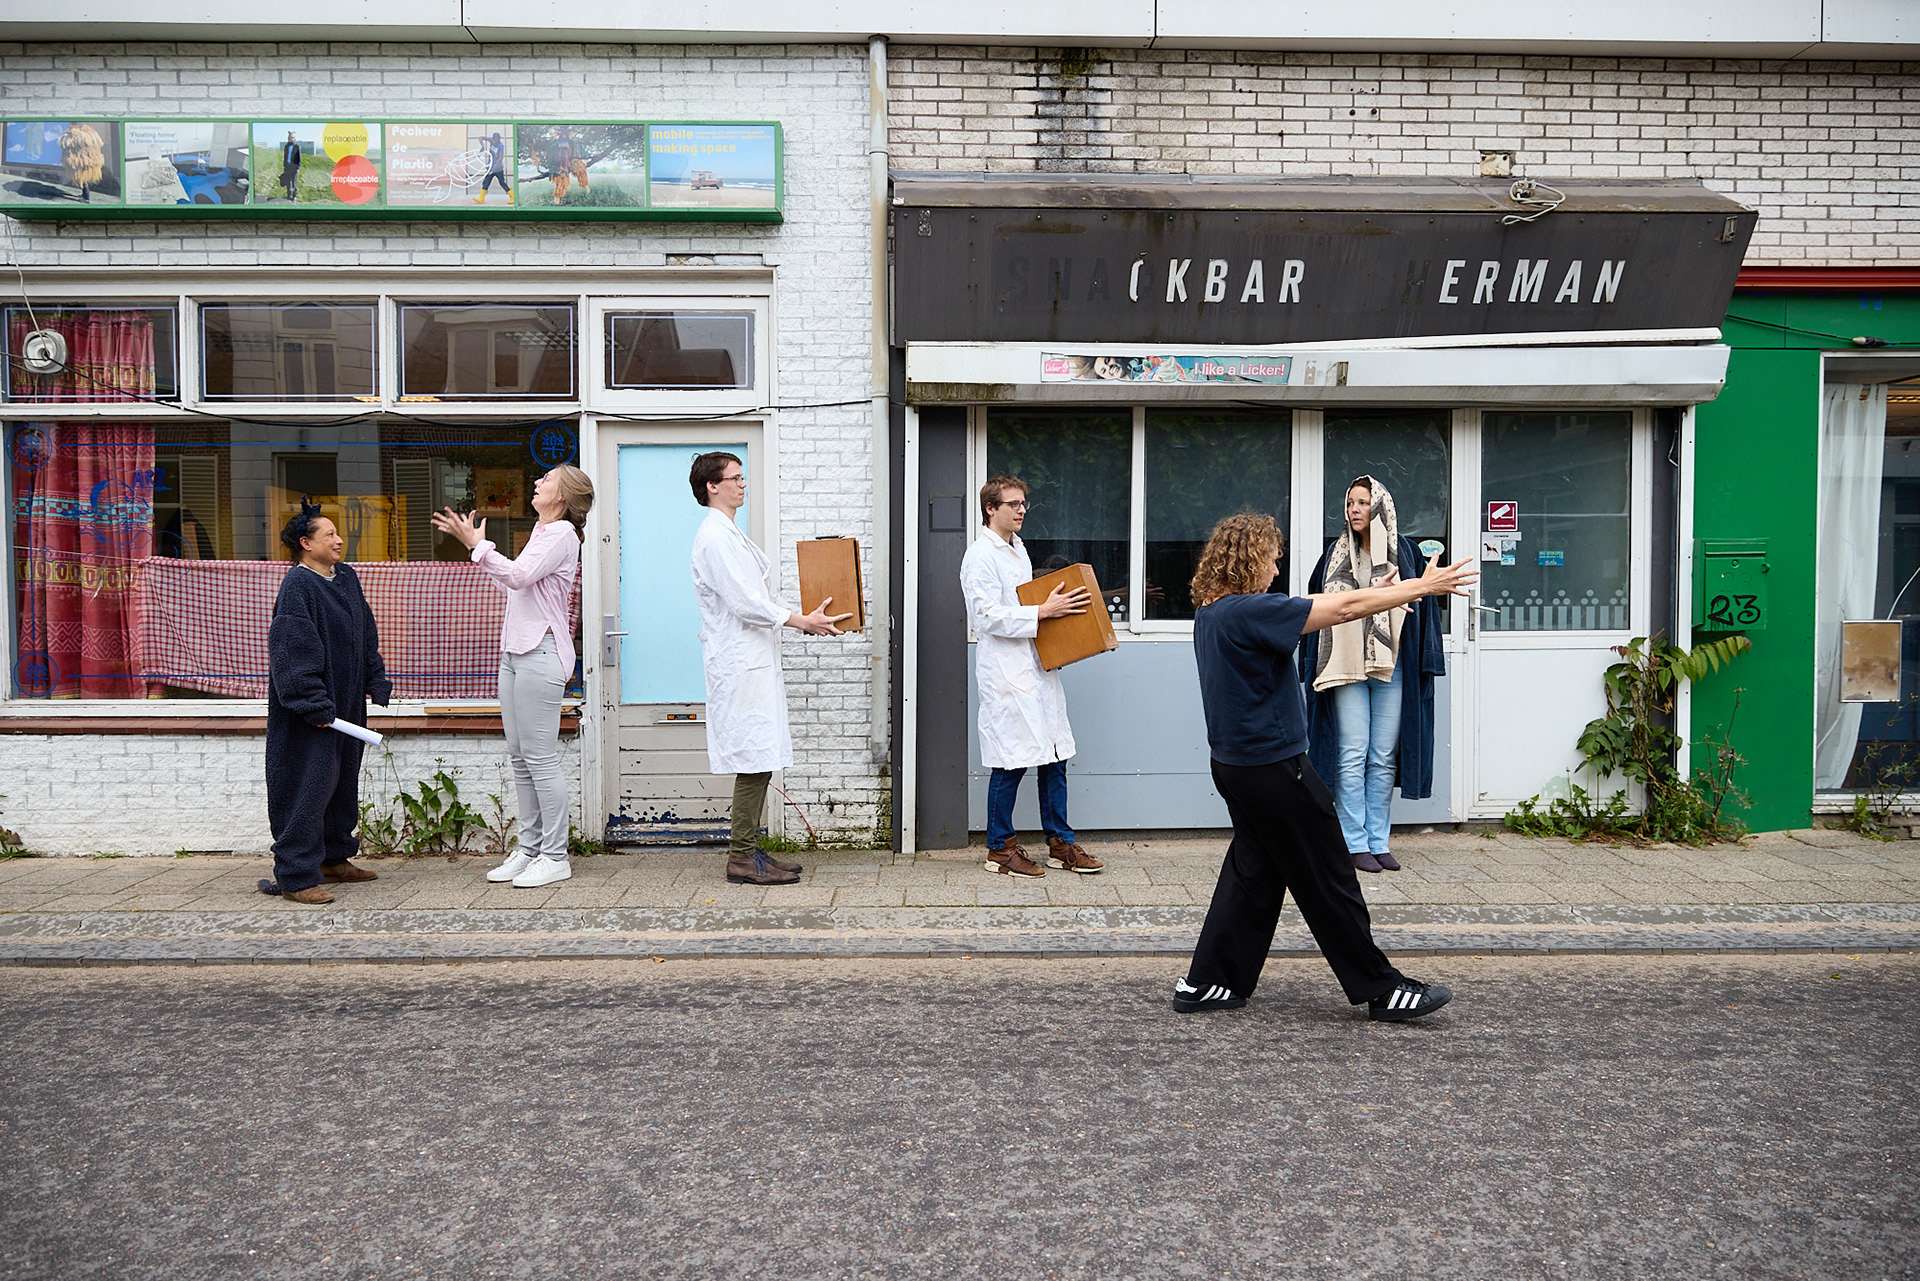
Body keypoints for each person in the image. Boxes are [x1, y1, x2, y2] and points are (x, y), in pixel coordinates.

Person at [1174, 512, 1475, 1021]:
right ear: (1250, 561)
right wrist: (1417, 588)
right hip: (1276, 771)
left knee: (1254, 873)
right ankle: (1381, 989)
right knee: (1330, 878)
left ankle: (1208, 982)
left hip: (1237, 768)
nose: (1275, 571)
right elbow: (1345, 606)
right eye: (1271, 560)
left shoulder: (1214, 612)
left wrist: (1383, 591)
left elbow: (1339, 604)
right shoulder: (1251, 610)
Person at [688, 452, 849, 886]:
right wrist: (800, 621)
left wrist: (804, 619)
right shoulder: (716, 537)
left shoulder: (729, 534)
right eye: (734, 478)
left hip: (751, 659)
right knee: (752, 755)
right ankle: (741, 857)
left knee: (759, 754)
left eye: (743, 476)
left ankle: (750, 851)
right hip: (739, 663)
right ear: (711, 486)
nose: (743, 484)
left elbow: (757, 600)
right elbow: (745, 602)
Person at [432, 465, 595, 889]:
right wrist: (480, 552)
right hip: (517, 651)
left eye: (546, 479)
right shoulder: (541, 533)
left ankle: (555, 856)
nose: (537, 481)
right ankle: (529, 850)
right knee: (522, 758)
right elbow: (517, 586)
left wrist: (478, 546)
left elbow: (519, 576)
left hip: (541, 651)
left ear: (563, 496)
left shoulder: (561, 534)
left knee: (538, 758)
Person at [959, 474, 1105, 878]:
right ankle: (999, 849)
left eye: (1024, 503)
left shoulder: (1017, 549)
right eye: (1013, 504)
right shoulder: (980, 557)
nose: (1021, 510)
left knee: (1055, 756)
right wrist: (1043, 612)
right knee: (1011, 762)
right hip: (1007, 673)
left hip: (1037, 667)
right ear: (991, 508)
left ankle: (1060, 843)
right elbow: (985, 617)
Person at [1299, 475, 1446, 874]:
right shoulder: (1334, 554)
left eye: (1362, 502)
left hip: (1392, 666)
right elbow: (1316, 610)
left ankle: (1378, 840)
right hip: (1345, 667)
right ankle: (1353, 841)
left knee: (1382, 756)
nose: (1354, 510)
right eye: (1350, 503)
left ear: (1380, 506)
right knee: (1352, 753)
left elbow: (1424, 606)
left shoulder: (1407, 553)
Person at [259, 500, 392, 905]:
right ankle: (296, 875)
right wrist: (310, 702)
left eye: (337, 533)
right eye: (329, 534)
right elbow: (292, 648)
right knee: (307, 788)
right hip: (312, 713)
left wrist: (375, 678)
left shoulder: (346, 578)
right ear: (305, 543)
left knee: (341, 784)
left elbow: (364, 630)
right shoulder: (298, 586)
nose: (339, 540)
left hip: (346, 704)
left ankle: (334, 859)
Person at [476, 131, 512, 204]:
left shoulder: (500, 146)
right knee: (486, 182)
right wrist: (482, 146)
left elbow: (501, 157)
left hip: (498, 168)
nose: (495, 142)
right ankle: (481, 198)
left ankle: (512, 196)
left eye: (496, 141)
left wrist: (495, 167)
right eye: (494, 140)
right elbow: (480, 137)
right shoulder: (490, 140)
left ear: (499, 140)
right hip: (490, 167)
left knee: (502, 182)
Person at [279, 131, 301, 201]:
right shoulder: (286, 146)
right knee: (288, 183)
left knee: (294, 183)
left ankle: (294, 196)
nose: (291, 139)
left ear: (294, 138)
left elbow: (299, 158)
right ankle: (288, 195)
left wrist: (298, 168)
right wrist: (284, 166)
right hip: (287, 167)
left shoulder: (297, 147)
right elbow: (285, 157)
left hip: (294, 167)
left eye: (292, 138)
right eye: (289, 138)